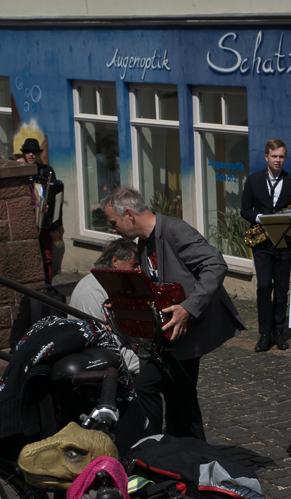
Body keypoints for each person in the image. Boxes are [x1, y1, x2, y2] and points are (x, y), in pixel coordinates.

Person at [102, 187, 245, 441]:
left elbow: (215, 264)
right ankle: (186, 451)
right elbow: (155, 289)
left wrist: (188, 308)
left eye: (114, 223)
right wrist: (123, 303)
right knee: (181, 399)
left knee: (148, 387)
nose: (113, 229)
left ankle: (154, 445)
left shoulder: (175, 230)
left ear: (129, 215)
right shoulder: (144, 242)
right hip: (171, 334)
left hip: (190, 329)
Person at [240, 139, 291, 352]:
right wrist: (260, 218)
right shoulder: (253, 180)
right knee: (264, 286)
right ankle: (264, 334)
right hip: (262, 243)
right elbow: (244, 210)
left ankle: (279, 332)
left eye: (281, 156)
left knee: (282, 288)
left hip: (284, 242)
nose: (278, 160)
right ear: (266, 157)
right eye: (274, 156)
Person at [68, 239, 141, 375]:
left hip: (104, 350)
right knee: (158, 365)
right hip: (101, 356)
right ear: (115, 261)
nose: (137, 270)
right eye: (134, 265)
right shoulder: (97, 288)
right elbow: (106, 343)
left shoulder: (97, 281)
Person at [21, 137, 64, 284]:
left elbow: (55, 197)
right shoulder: (20, 170)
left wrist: (58, 223)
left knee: (47, 256)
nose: (31, 154)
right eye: (28, 151)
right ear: (23, 154)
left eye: (34, 152)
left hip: (45, 221)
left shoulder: (47, 171)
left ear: (38, 153)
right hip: (26, 222)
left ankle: (48, 286)